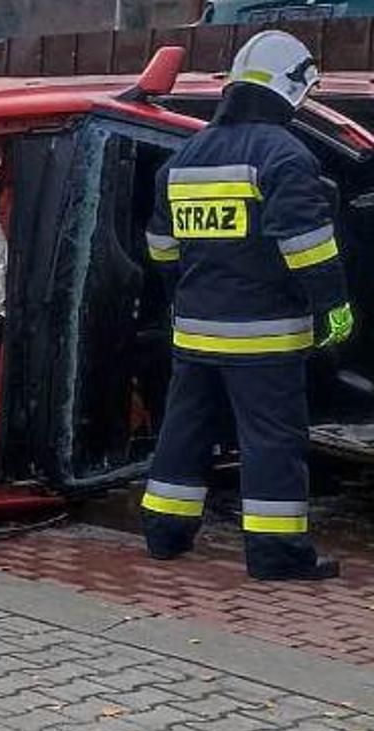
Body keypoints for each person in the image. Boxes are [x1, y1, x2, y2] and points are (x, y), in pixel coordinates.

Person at [141, 30, 347, 581]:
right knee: (272, 442)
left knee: (183, 434)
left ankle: (164, 534)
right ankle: (277, 555)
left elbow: (162, 247)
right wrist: (334, 305)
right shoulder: (285, 154)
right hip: (265, 336)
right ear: (293, 87)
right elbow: (304, 245)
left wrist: (184, 296)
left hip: (196, 330)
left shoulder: (186, 156)